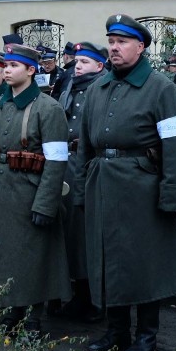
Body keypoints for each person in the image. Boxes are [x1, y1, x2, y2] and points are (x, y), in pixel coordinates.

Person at [73, 14, 176, 351]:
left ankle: (147, 334)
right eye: (111, 41)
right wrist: (81, 190)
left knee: (145, 261)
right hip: (102, 185)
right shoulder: (98, 87)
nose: (114, 48)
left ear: (140, 47)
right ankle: (116, 330)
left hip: (142, 187)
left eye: (122, 42)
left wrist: (172, 195)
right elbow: (84, 146)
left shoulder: (161, 88)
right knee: (108, 259)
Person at [0, 43, 70, 336]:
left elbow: (56, 161)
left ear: (31, 70)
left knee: (32, 256)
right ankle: (11, 310)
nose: (8, 72)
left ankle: (33, 317)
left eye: (14, 66)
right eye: (8, 66)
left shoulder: (48, 108)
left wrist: (45, 203)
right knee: (4, 255)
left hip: (29, 192)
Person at [56, 42, 107, 322]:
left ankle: (95, 299)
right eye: (77, 61)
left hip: (88, 165)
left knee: (87, 233)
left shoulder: (101, 89)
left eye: (85, 62)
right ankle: (78, 294)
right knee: (70, 233)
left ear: (99, 66)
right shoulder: (69, 87)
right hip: (66, 163)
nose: (78, 66)